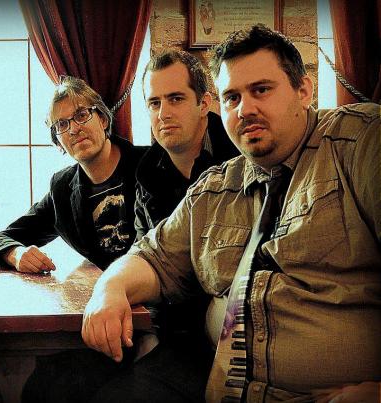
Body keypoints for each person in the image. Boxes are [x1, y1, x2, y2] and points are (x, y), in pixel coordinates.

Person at [83, 24, 380, 402]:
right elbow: (153, 259)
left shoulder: (358, 142)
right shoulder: (214, 188)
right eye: (232, 97)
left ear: (303, 91)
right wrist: (109, 289)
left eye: (261, 90)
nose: (245, 109)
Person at [0, 75, 145, 273]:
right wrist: (16, 254)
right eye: (61, 124)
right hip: (101, 290)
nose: (74, 129)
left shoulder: (152, 164)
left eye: (82, 115)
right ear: (58, 141)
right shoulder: (62, 189)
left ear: (103, 119)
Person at [136, 49, 239, 240]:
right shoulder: (145, 175)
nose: (163, 114)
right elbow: (143, 246)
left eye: (176, 99)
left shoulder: (243, 156)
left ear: (204, 104)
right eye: (155, 103)